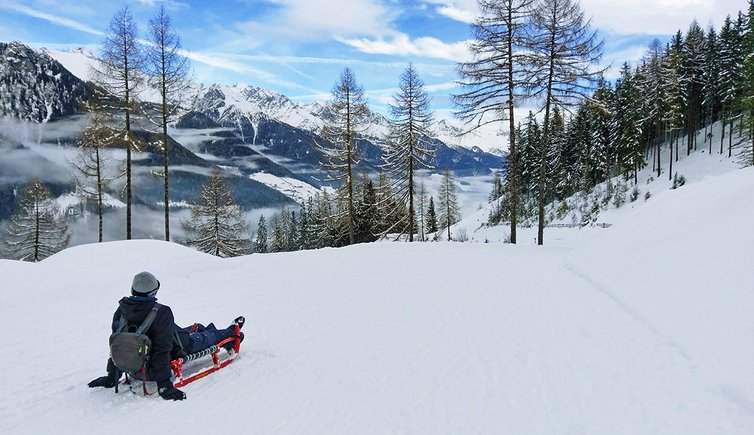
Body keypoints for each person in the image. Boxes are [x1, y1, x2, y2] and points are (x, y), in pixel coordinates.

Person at [88, 271, 244, 401]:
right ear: (153, 292)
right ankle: (231, 332)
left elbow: (118, 342)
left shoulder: (121, 310)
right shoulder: (161, 312)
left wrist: (112, 375)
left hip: (142, 353)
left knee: (192, 331)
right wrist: (164, 385)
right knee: (203, 339)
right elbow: (161, 349)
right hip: (176, 347)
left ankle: (205, 329)